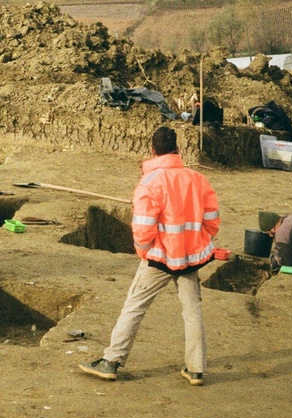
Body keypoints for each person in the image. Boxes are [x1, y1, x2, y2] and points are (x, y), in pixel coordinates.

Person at [79, 126, 220, 386]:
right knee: (193, 311)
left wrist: (145, 252)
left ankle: (111, 361)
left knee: (134, 307)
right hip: (190, 258)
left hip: (159, 258)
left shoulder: (149, 183)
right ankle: (196, 369)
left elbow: (143, 229)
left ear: (153, 151)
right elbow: (212, 221)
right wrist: (198, 244)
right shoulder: (198, 180)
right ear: (178, 149)